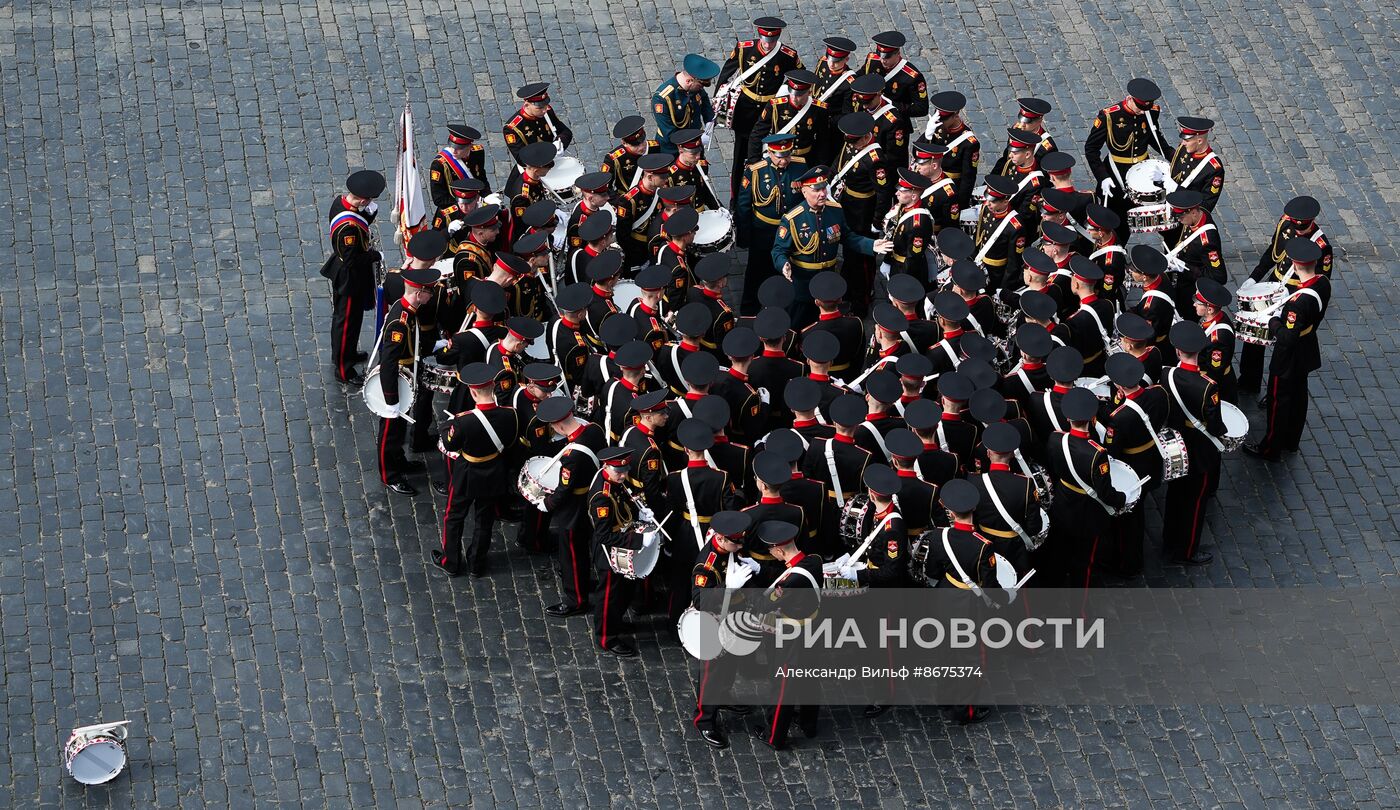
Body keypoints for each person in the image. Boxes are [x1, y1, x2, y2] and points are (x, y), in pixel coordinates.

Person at [1245, 238, 1331, 460]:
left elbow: (1287, 337)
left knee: (1278, 401)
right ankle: (1292, 440)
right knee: (1299, 396)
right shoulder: (1322, 283)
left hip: (1289, 356)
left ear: (1294, 263)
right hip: (1307, 347)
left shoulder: (1297, 303)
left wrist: (1273, 321)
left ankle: (1271, 447)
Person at [1238, 195, 1334, 394]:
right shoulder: (1285, 223)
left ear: (1312, 223)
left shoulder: (1322, 247)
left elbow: (1319, 284)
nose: (1298, 232)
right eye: (1296, 228)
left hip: (1295, 295)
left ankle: (1276, 387)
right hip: (1275, 284)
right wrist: (1255, 277)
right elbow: (1273, 253)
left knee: (1284, 343)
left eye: (1303, 229)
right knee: (1253, 328)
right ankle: (1249, 379)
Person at [771, 165, 887, 326]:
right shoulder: (792, 219)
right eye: (816, 190)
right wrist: (783, 264)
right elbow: (779, 250)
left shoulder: (835, 210)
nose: (823, 194)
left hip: (828, 282)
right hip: (804, 284)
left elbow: (848, 237)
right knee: (798, 325)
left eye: (824, 189)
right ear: (804, 192)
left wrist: (871, 245)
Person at [436, 363, 521, 577]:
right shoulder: (511, 415)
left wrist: (446, 426)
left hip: (466, 473)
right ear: (493, 387)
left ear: (473, 392)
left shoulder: (462, 421)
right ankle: (476, 564)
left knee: (454, 516)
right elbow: (511, 442)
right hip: (493, 473)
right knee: (485, 519)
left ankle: (451, 562)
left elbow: (450, 445)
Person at [921, 479, 995, 724]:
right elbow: (990, 587)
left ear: (951, 513)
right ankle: (966, 711)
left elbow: (932, 572)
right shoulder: (983, 547)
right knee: (971, 658)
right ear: (973, 510)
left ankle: (944, 697)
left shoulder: (937, 537)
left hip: (945, 596)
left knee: (945, 651)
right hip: (969, 606)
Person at [1043, 387, 1125, 589]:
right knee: (1084, 563)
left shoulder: (1055, 438)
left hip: (1063, 503)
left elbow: (1054, 468)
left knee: (1059, 554)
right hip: (1087, 513)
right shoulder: (1097, 454)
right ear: (1092, 417)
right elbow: (1105, 492)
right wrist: (1122, 499)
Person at [1160, 322, 1228, 565]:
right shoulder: (1208, 386)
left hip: (1177, 446)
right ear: (1200, 352)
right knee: (1195, 503)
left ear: (1178, 351)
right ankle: (1187, 550)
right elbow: (1215, 425)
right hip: (1200, 451)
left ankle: (1169, 542)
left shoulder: (1166, 374)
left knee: (1175, 496)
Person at [716, 16, 803, 202]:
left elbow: (800, 78)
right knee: (740, 156)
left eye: (772, 41)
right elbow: (726, 74)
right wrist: (718, 106)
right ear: (759, 36)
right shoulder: (744, 48)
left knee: (770, 152)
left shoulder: (787, 55)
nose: (768, 45)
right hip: (745, 111)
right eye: (765, 40)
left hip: (770, 110)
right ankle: (736, 197)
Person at [753, 520, 823, 750]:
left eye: (771, 550)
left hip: (794, 637)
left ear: (780, 550)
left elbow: (764, 604)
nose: (771, 554)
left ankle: (774, 736)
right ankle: (809, 724)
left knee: (783, 685)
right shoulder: (814, 561)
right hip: (814, 630)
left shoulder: (790, 581)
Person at [689, 510, 756, 749]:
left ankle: (724, 696)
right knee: (712, 673)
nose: (739, 546)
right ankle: (704, 719)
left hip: (733, 619)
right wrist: (727, 588)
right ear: (721, 539)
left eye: (741, 541)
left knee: (730, 666)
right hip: (714, 623)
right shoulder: (706, 565)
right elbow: (700, 600)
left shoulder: (730, 550)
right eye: (735, 542)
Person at [374, 268, 444, 495]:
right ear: (419, 293)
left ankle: (398, 459)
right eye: (429, 292)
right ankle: (389, 474)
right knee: (390, 430)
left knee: (400, 426)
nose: (431, 296)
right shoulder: (400, 321)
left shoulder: (408, 309)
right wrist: (391, 400)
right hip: (396, 380)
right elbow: (388, 362)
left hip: (407, 375)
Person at [536, 396, 607, 618]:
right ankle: (583, 581)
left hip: (575, 506)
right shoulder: (593, 429)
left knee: (571, 553)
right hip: (592, 496)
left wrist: (546, 503)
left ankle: (576, 598)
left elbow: (564, 489)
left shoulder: (572, 456)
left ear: (558, 425)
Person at [1101, 352, 1167, 578]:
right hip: (1152, 459)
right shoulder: (1158, 393)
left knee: (1130, 520)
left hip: (1132, 466)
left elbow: (1112, 451)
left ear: (1118, 385)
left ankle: (1129, 563)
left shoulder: (1118, 418)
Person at [1083, 78, 1169, 244]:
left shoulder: (1150, 111)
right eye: (1139, 107)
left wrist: (1174, 158)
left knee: (1158, 216)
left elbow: (1154, 137)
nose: (1142, 112)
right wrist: (1103, 177)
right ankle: (1113, 250)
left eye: (1146, 108)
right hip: (1116, 174)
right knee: (1115, 218)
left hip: (1142, 174)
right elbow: (1091, 149)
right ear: (1130, 99)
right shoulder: (1110, 116)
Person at [588, 446, 655, 658]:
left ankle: (616, 622)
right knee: (609, 597)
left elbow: (625, 501)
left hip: (623, 541)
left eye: (626, 470)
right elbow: (605, 536)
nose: (624, 475)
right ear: (606, 467)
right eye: (619, 472)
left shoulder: (615, 481)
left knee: (624, 591)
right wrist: (639, 539)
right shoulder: (601, 497)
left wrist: (640, 513)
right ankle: (606, 638)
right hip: (610, 552)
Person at [321, 169, 385, 385]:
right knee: (346, 322)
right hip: (349, 276)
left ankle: (347, 353)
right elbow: (352, 260)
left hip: (349, 273)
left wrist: (368, 213)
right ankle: (343, 368)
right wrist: (375, 255)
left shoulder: (340, 203)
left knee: (352, 319)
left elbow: (361, 220)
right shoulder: (348, 228)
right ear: (363, 198)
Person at [736, 133, 808, 313]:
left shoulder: (801, 167)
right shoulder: (755, 171)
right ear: (770, 152)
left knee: (787, 272)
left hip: (790, 232)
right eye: (780, 156)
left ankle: (782, 308)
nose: (785, 160)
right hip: (763, 232)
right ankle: (749, 311)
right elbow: (743, 206)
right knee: (756, 273)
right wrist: (744, 236)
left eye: (788, 155)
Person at [1161, 189, 1226, 319]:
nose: (1179, 220)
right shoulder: (1198, 215)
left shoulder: (1207, 241)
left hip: (1190, 292)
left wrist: (1185, 267)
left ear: (1194, 212)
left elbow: (1219, 277)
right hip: (1178, 281)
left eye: (1181, 217)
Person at [502, 82, 574, 191]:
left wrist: (559, 144)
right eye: (539, 108)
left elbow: (565, 132)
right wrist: (549, 153)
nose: (544, 110)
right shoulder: (513, 128)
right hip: (533, 173)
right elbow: (521, 159)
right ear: (526, 105)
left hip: (552, 167)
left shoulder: (546, 112)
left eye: (545, 106)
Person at [748, 69, 828, 163]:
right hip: (780, 157)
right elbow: (757, 133)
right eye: (792, 93)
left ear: (809, 93)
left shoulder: (819, 109)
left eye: (799, 95)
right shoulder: (775, 106)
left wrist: (822, 164)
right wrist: (753, 161)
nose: (794, 97)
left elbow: (823, 139)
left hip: (806, 158)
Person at [925, 90, 981, 208]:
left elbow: (968, 177)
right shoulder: (937, 127)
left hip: (950, 187)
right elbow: (917, 152)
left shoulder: (969, 143)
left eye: (944, 119)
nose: (940, 122)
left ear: (956, 115)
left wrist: (960, 204)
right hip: (930, 180)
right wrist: (927, 135)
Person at [652, 54, 720, 151]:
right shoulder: (662, 99)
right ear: (689, 81)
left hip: (695, 145)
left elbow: (703, 98)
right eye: (700, 86)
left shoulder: (694, 88)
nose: (702, 88)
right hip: (672, 150)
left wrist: (709, 120)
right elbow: (669, 133)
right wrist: (698, 140)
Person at [856, 30, 928, 120]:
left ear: (898, 54)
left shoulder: (912, 78)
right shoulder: (873, 60)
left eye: (887, 57)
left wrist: (890, 104)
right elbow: (859, 78)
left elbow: (922, 109)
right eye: (880, 56)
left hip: (893, 121)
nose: (883, 61)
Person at [1194, 278, 1238, 404]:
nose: (1194, 304)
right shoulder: (1216, 317)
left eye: (1198, 303)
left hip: (1218, 386)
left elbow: (1214, 370)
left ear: (1210, 309)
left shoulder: (1218, 338)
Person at [1169, 116, 1223, 212]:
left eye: (1187, 140)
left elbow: (1206, 205)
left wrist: (1175, 188)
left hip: (1186, 215)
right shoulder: (1185, 148)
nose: (1183, 143)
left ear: (1199, 141)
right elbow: (1174, 160)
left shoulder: (1214, 169)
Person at [428, 123, 489, 210]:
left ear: (470, 147)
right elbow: (439, 199)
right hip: (455, 209)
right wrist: (468, 202)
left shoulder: (478, 152)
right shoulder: (439, 165)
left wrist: (488, 196)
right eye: (452, 146)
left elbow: (481, 178)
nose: (454, 151)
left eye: (459, 148)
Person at [991, 97, 1057, 173]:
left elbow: (1047, 177)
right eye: (1021, 119)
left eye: (1027, 122)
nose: (1022, 125)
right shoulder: (1016, 129)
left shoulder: (1047, 148)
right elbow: (1006, 157)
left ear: (1039, 120)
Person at [602, 116, 664, 196]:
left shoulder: (654, 147)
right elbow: (605, 188)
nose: (642, 147)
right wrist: (620, 203)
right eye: (636, 145)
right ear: (624, 143)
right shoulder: (613, 159)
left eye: (643, 142)